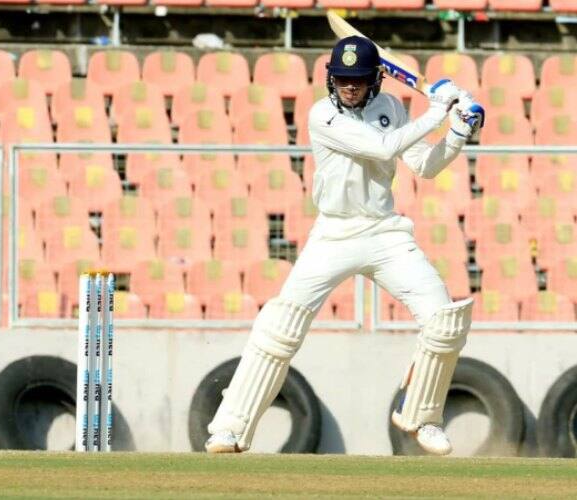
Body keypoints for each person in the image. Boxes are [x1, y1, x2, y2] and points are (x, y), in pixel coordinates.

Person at [205, 36, 484, 456]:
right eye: (341, 79)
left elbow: (424, 167)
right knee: (279, 327)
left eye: (357, 80)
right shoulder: (322, 115)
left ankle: (422, 418)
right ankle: (230, 428)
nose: (348, 87)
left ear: (375, 80)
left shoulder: (391, 108)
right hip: (334, 234)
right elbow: (382, 146)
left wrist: (458, 131)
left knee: (444, 319)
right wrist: (439, 110)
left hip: (385, 232)